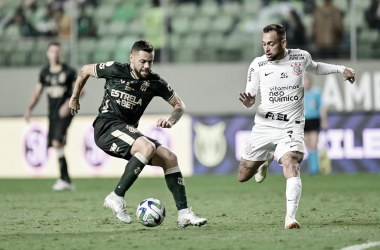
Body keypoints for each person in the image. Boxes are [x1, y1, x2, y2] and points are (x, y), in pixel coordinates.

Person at [68, 40, 208, 228]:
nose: (147, 66)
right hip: (106, 126)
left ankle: (183, 214)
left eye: (150, 61)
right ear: (131, 58)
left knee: (170, 158)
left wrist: (171, 121)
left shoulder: (155, 81)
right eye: (143, 61)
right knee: (147, 146)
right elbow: (85, 70)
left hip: (127, 129)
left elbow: (179, 105)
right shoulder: (115, 69)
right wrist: (75, 97)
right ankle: (116, 196)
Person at [238, 24, 355, 229]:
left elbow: (317, 67)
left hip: (291, 126)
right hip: (264, 127)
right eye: (264, 44)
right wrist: (249, 102)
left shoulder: (300, 58)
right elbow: (250, 95)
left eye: (271, 44)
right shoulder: (257, 65)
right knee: (243, 176)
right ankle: (266, 159)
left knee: (292, 163)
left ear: (283, 42)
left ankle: (290, 217)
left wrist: (341, 69)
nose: (266, 49)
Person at [24, 41, 78, 191]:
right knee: (57, 145)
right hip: (53, 113)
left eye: (57, 51)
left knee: (55, 142)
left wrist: (68, 102)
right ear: (48, 54)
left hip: (66, 112)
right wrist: (29, 109)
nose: (55, 54)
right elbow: (37, 93)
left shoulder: (69, 71)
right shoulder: (44, 73)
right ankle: (65, 179)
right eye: (52, 51)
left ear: (61, 53)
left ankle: (64, 179)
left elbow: (80, 91)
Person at [304, 74, 327, 174]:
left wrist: (323, 120)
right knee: (308, 145)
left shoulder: (316, 92)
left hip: (314, 120)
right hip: (303, 121)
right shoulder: (299, 93)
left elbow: (322, 107)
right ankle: (312, 168)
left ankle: (315, 168)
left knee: (314, 144)